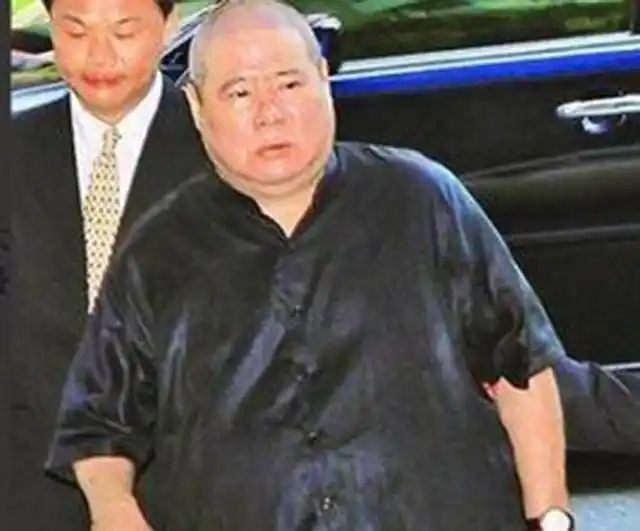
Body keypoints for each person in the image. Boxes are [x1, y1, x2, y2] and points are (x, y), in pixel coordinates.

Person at [45, 1, 574, 530]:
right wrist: (114, 508)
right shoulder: (158, 250)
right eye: (240, 93)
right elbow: (98, 423)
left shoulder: (422, 199)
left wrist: (549, 517)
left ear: (324, 79)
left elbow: (520, 367)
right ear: (197, 106)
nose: (269, 113)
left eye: (289, 84)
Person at [10, 0, 208, 529]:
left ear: (169, 25)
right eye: (76, 31)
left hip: (182, 487)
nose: (99, 56)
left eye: (123, 31)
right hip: (26, 486)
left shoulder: (221, 149)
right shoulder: (15, 151)